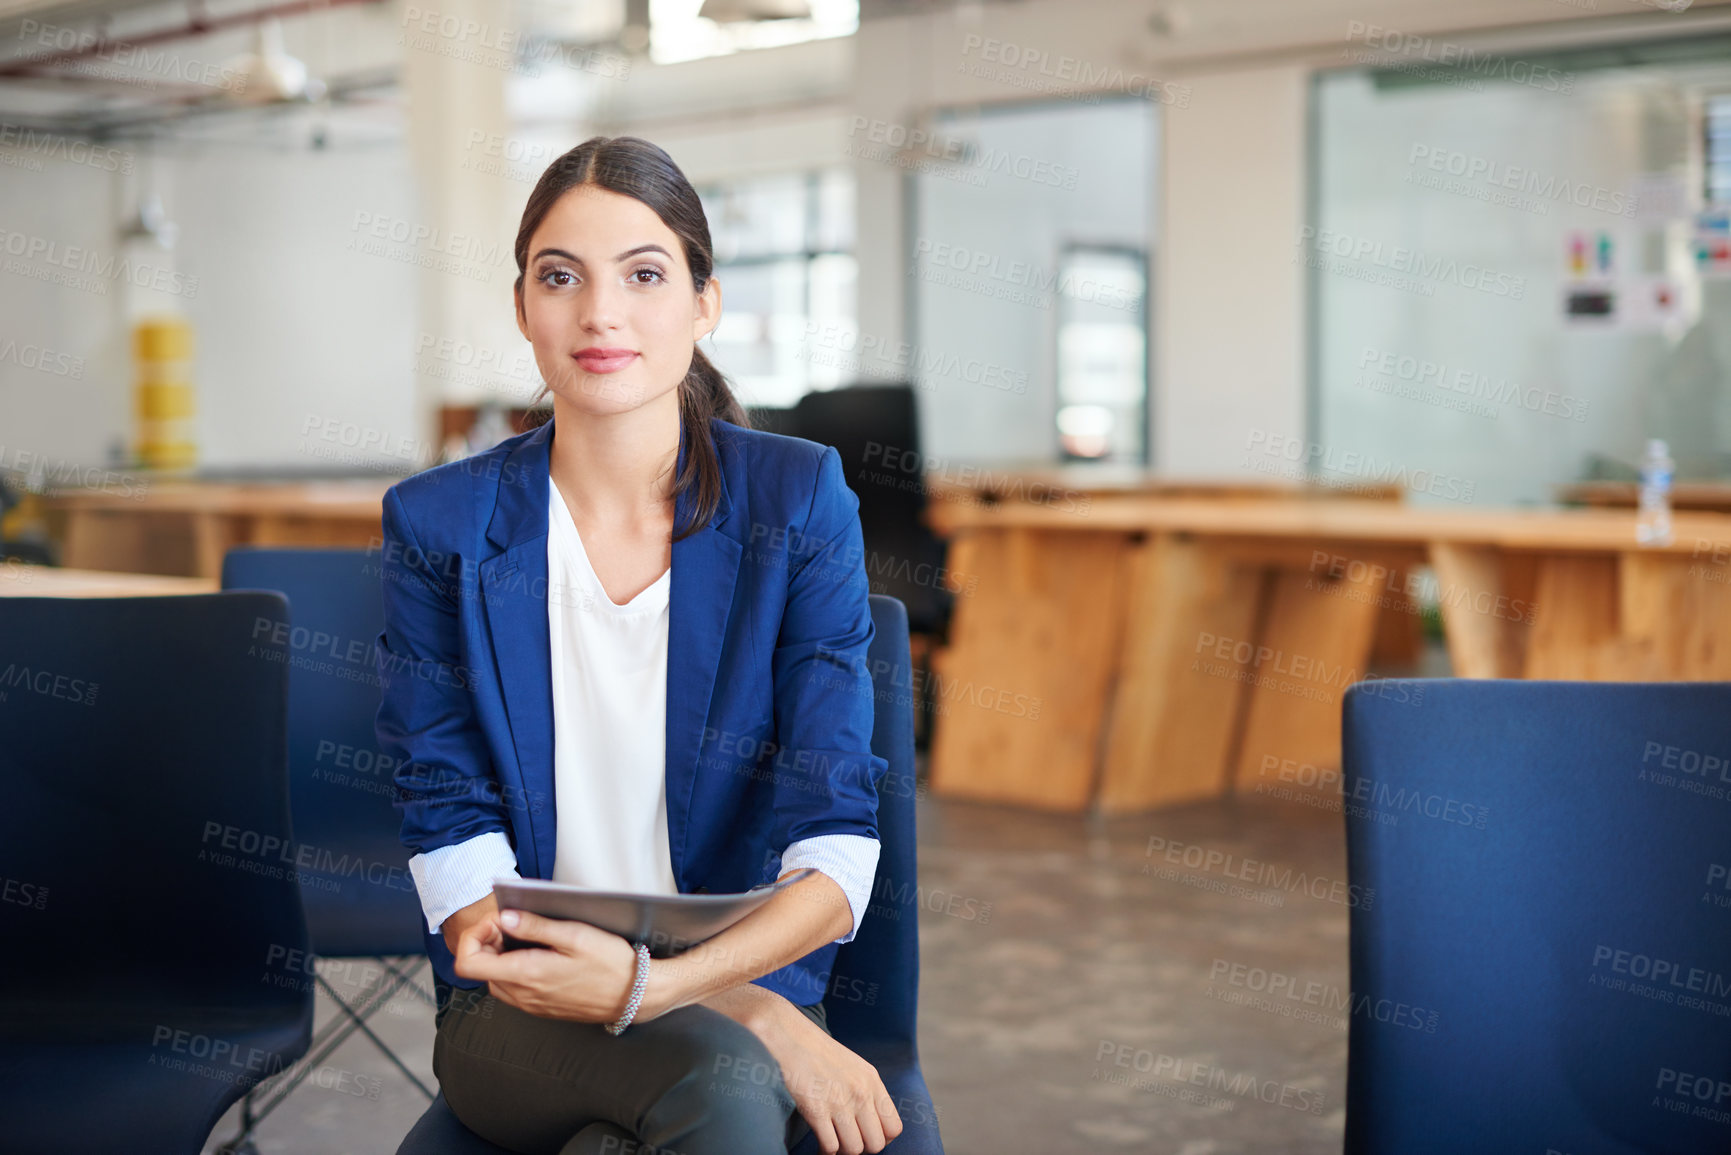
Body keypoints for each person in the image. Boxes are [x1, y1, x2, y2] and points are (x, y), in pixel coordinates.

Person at [373, 135, 903, 1155]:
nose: (600, 313)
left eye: (645, 274)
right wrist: (742, 1011)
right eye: (559, 276)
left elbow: (834, 842)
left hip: (733, 972)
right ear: (522, 305)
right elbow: (448, 821)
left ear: (705, 303)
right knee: (725, 1076)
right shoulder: (440, 524)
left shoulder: (796, 501)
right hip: (516, 1004)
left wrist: (675, 985)